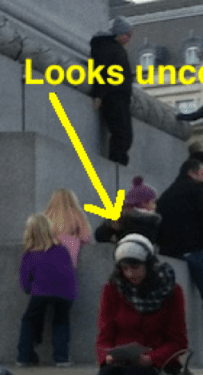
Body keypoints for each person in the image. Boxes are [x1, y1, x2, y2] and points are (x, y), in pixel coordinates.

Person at [63, 234, 188, 375]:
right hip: (119, 360)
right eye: (125, 268)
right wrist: (107, 356)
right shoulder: (113, 289)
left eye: (135, 267)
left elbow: (178, 341)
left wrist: (151, 358)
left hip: (156, 365)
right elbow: (105, 334)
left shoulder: (172, 291)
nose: (130, 274)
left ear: (149, 264)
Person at [156, 158, 203, 361]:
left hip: (173, 254)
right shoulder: (199, 190)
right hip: (200, 252)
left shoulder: (165, 196)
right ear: (192, 173)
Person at [16, 213, 78, 367]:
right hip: (66, 292)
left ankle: (24, 356)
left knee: (29, 320)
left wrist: (29, 290)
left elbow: (25, 280)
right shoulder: (62, 250)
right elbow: (69, 272)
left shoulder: (30, 254)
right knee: (61, 321)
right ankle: (61, 358)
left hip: (41, 291)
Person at [90, 16, 133, 166]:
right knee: (122, 134)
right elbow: (100, 71)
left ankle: (119, 163)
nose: (129, 39)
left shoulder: (114, 48)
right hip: (113, 96)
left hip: (120, 96)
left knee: (125, 135)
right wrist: (98, 95)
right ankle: (116, 164)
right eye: (128, 34)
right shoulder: (106, 47)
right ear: (119, 33)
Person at [95, 176, 161, 244]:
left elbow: (100, 235)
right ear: (144, 203)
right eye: (153, 202)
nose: (155, 206)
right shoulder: (151, 222)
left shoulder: (119, 219)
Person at [44, 188, 91, 269]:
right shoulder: (77, 215)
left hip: (48, 263)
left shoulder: (46, 216)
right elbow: (85, 237)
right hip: (70, 263)